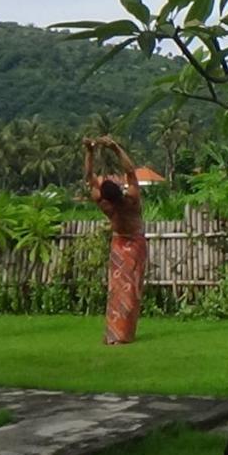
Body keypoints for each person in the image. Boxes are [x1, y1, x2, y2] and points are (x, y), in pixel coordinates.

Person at [84, 136, 147, 345]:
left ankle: (115, 334)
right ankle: (123, 335)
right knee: (130, 292)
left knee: (117, 291)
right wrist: (116, 148)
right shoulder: (132, 199)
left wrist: (89, 152)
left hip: (119, 244)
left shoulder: (105, 205)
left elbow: (88, 177)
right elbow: (130, 171)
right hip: (135, 244)